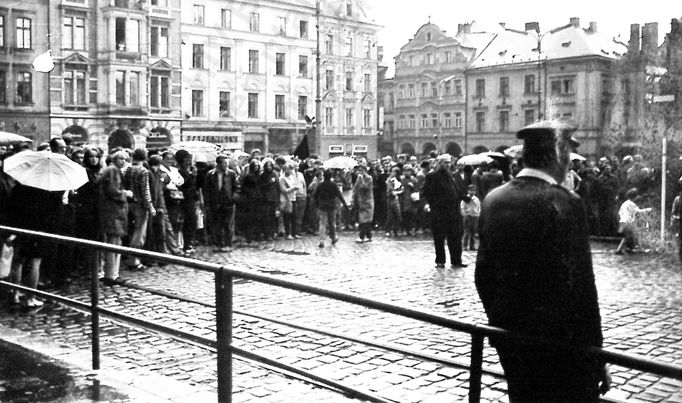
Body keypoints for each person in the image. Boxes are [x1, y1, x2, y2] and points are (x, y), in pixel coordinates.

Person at [475, 120, 610, 402]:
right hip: (562, 351)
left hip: (511, 342)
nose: (569, 166)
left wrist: (502, 327)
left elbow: (483, 277)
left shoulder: (493, 199)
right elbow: (582, 290)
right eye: (567, 158)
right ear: (555, 157)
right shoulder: (566, 202)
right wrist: (596, 355)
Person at [421, 154, 469, 269]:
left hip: (453, 212)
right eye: (445, 162)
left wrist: (466, 198)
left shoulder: (451, 175)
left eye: (449, 162)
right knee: (439, 237)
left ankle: (456, 260)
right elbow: (424, 192)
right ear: (440, 163)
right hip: (439, 212)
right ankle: (440, 261)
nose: (448, 165)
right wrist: (426, 204)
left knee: (455, 237)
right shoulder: (432, 176)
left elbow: (456, 191)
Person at [99, 150, 133, 286]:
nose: (124, 161)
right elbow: (113, 191)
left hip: (114, 211)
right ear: (115, 159)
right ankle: (111, 274)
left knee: (115, 242)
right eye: (121, 158)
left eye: (125, 159)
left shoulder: (112, 170)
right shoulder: (113, 170)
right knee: (114, 243)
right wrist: (126, 193)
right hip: (113, 212)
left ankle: (113, 273)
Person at [123, 148, 156, 271]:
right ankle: (134, 260)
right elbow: (145, 191)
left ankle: (130, 257)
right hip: (140, 205)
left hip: (129, 203)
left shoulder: (128, 169)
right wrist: (151, 207)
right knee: (139, 233)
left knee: (132, 231)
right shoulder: (143, 171)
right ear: (145, 157)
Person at [204, 155, 240, 253]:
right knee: (216, 225)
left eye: (227, 164)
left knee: (228, 225)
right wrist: (207, 203)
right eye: (224, 164)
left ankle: (228, 244)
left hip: (228, 203)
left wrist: (233, 198)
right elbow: (207, 190)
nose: (226, 166)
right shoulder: (210, 174)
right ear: (218, 164)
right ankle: (218, 244)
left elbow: (237, 187)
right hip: (215, 203)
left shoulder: (231, 174)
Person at [313, 169, 348, 248]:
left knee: (322, 222)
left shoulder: (320, 185)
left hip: (322, 205)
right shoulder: (334, 185)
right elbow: (339, 195)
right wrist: (345, 204)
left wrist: (317, 204)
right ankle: (333, 237)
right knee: (332, 222)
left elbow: (315, 195)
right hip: (332, 206)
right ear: (331, 176)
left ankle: (321, 239)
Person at [615, 188, 652, 255]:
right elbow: (639, 211)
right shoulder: (631, 204)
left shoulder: (624, 203)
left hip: (622, 222)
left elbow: (620, 213)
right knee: (637, 235)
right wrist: (647, 210)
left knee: (627, 236)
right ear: (634, 197)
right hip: (628, 222)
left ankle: (620, 249)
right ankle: (641, 249)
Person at [352, 164, 374, 242]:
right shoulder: (359, 178)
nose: (360, 172)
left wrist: (361, 180)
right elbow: (355, 188)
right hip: (361, 201)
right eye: (359, 170)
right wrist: (353, 197)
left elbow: (365, 187)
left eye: (362, 170)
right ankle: (369, 236)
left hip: (367, 201)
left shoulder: (369, 178)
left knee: (364, 219)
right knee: (365, 219)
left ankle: (361, 236)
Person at [460, 184, 480, 250]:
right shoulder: (465, 198)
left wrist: (478, 214)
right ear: (468, 191)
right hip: (468, 216)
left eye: (474, 191)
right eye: (471, 190)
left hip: (475, 216)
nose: (472, 192)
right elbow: (462, 207)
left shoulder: (476, 199)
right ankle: (465, 246)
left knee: (473, 232)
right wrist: (464, 215)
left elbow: (478, 207)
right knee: (466, 232)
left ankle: (472, 246)